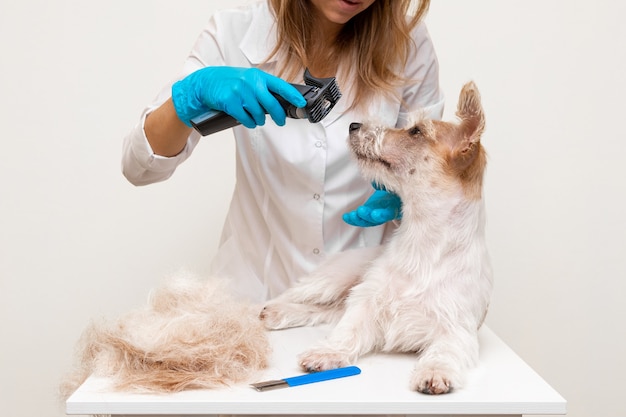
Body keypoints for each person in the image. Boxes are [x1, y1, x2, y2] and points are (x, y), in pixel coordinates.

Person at [122, 0, 444, 303]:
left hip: (361, 301)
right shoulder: (234, 33)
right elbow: (140, 167)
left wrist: (411, 197)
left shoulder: (408, 44)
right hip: (251, 301)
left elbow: (431, 170)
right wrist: (189, 97)